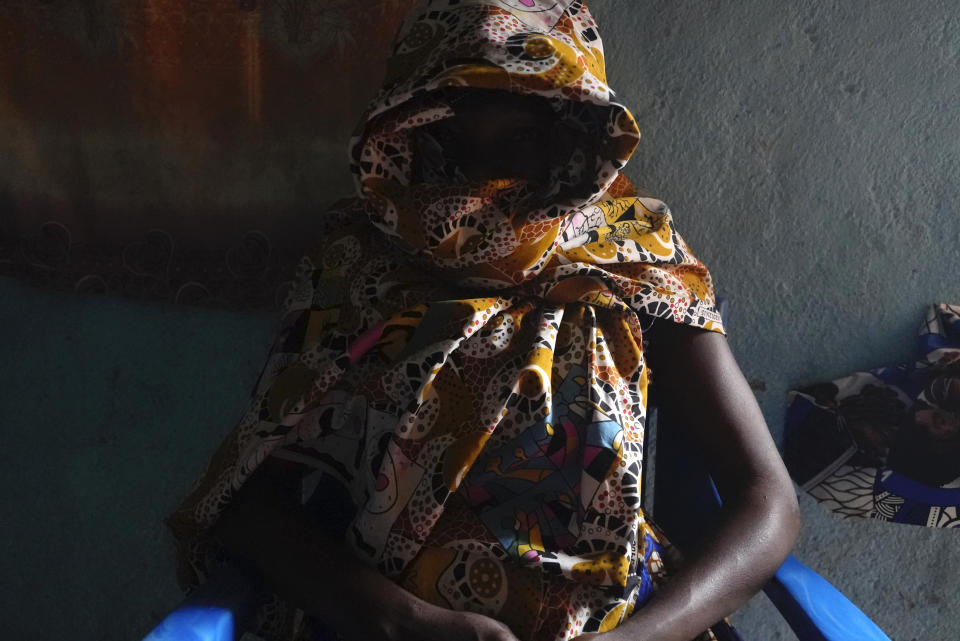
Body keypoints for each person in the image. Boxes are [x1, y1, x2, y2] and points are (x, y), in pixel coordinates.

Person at [165, 2, 800, 640]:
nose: (488, 176)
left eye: (522, 136)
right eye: (457, 131)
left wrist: (636, 639)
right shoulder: (357, 268)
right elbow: (247, 503)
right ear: (411, 128)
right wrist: (403, 620)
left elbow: (766, 503)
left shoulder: (637, 258)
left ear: (575, 128)